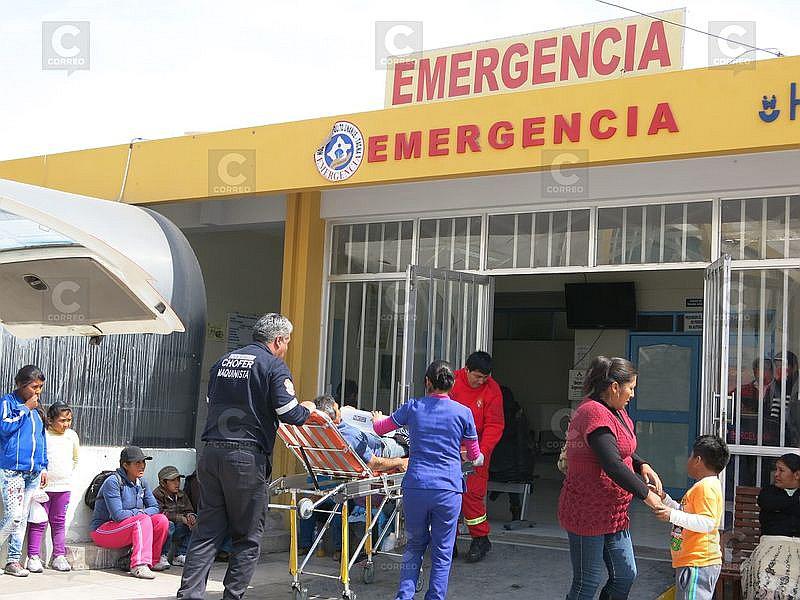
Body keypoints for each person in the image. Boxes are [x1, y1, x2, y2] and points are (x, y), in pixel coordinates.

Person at [177, 313, 316, 600]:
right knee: (248, 537)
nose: (287, 347)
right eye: (287, 342)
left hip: (212, 454)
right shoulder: (273, 366)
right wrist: (309, 409)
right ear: (278, 340)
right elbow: (289, 413)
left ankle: (189, 594)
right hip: (245, 460)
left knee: (206, 533)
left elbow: (210, 402)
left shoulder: (223, 362)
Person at [372, 360, 481, 600]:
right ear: (451, 384)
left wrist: (375, 418)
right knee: (442, 552)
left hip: (416, 487)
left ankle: (404, 596)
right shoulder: (464, 413)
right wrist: (475, 456)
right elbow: (474, 455)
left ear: (427, 382)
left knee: (414, 546)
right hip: (448, 490)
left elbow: (381, 429)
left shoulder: (413, 406)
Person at [558, 356, 664, 600]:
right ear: (615, 387)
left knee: (625, 575)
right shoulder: (592, 413)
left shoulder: (616, 411)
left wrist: (642, 464)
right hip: (587, 511)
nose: (632, 395)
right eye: (631, 388)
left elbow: (621, 447)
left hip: (613, 514)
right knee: (587, 582)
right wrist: (646, 495)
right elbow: (612, 463)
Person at [299, 395, 408, 560]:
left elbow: (305, 405)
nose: (340, 410)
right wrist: (399, 461)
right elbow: (373, 463)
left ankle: (310, 546)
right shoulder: (349, 435)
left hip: (338, 466)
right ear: (334, 415)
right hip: (382, 447)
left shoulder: (315, 431)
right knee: (409, 441)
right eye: (338, 408)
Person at [654, 435, 730, 600]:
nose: (687, 460)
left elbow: (707, 523)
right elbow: (686, 514)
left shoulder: (706, 487)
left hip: (698, 563)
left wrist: (671, 515)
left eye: (690, 455)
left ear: (698, 460)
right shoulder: (703, 486)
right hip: (692, 562)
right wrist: (665, 499)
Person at [449, 350, 504, 562]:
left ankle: (480, 538)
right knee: (448, 495)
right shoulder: (452, 381)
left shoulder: (492, 389)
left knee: (472, 495)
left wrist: (481, 451)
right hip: (451, 447)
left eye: (485, 378)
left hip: (478, 449)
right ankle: (448, 541)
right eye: (477, 376)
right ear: (467, 369)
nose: (480, 381)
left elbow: (495, 424)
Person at [90, 446, 170, 579]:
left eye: (143, 462)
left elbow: (155, 507)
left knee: (161, 520)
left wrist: (139, 513)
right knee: (143, 519)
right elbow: (118, 515)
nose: (142, 466)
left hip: (127, 526)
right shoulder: (113, 482)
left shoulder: (142, 482)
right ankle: (138, 565)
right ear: (125, 465)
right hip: (103, 530)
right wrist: (140, 513)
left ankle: (153, 561)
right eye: (137, 463)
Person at [0, 365, 48, 577]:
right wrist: (25, 408)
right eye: (34, 387)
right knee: (13, 516)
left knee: (22, 517)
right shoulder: (8, 402)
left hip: (33, 472)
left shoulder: (37, 408)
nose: (37, 392)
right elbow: (4, 428)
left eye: (40, 387)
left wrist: (44, 465)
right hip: (12, 470)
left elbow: (42, 438)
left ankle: (13, 560)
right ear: (20, 384)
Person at [25, 402, 80, 573]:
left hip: (63, 488)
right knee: (38, 521)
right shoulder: (43, 435)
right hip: (43, 489)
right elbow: (37, 456)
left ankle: (58, 556)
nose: (66, 424)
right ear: (50, 420)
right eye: (62, 420)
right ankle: (33, 556)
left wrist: (64, 475)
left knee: (58, 522)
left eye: (69, 420)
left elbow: (75, 458)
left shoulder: (71, 436)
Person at [740, 452, 800, 599]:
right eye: (776, 469)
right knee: (765, 571)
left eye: (781, 470)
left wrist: (781, 507)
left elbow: (777, 506)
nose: (776, 474)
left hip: (797, 546)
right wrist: (796, 502)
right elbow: (767, 503)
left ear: (797, 474)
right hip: (770, 544)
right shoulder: (768, 492)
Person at [488, 385, 535, 522]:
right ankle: (515, 509)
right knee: (511, 480)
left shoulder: (491, 413)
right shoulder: (517, 415)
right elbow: (523, 441)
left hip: (492, 464)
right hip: (512, 465)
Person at [153, 465, 196, 567]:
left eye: (178, 480)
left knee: (196, 522)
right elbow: (160, 514)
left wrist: (190, 516)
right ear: (163, 483)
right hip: (166, 529)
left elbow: (188, 509)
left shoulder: (181, 495)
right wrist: (180, 518)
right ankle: (162, 555)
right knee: (169, 525)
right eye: (172, 481)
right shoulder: (157, 495)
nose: (177, 483)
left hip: (179, 528)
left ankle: (180, 554)